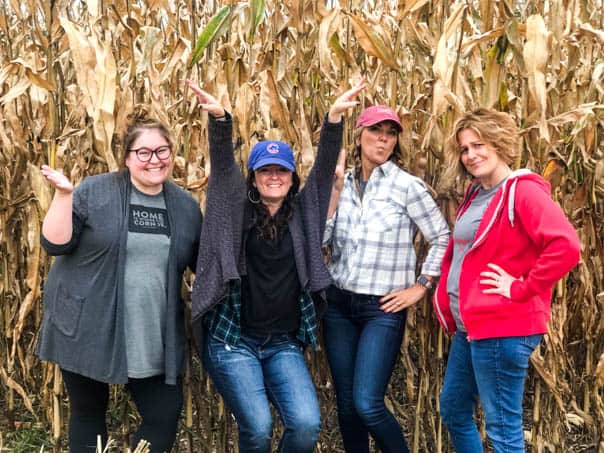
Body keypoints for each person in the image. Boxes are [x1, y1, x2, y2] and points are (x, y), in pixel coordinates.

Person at [187, 78, 366, 453]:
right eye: (265, 170)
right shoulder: (234, 210)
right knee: (257, 426)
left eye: (281, 170)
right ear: (253, 177)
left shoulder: (305, 212)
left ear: (291, 178)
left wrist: (334, 120)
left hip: (282, 342)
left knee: (305, 425)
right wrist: (221, 122)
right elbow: (221, 169)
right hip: (233, 339)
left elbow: (323, 169)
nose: (274, 176)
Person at [36, 110, 203, 453]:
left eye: (162, 151)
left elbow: (203, 266)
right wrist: (65, 196)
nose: (154, 160)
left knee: (163, 415)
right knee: (88, 414)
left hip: (150, 333)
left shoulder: (185, 207)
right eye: (143, 152)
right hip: (88, 327)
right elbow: (55, 244)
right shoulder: (95, 192)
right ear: (127, 157)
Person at [433, 108, 581, 452]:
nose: (471, 155)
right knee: (453, 408)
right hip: (472, 327)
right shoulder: (477, 193)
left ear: (500, 143)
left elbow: (566, 246)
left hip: (503, 327)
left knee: (503, 430)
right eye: (465, 148)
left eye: (479, 144)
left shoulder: (523, 192)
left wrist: (521, 287)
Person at [323, 105, 450, 452]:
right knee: (347, 405)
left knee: (366, 402)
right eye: (375, 130)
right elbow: (320, 241)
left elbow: (441, 236)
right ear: (359, 135)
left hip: (382, 308)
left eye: (391, 132)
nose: (383, 137)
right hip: (338, 305)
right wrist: (332, 196)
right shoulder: (341, 183)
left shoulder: (406, 186)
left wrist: (421, 285)